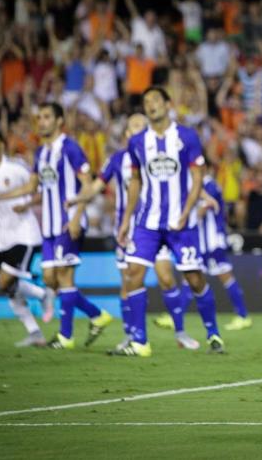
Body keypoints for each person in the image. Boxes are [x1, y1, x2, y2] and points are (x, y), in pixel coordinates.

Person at [67, 114, 202, 352]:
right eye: (134, 127)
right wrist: (79, 200)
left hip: (157, 227)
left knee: (167, 278)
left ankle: (180, 332)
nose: (139, 130)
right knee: (128, 283)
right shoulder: (117, 160)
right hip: (129, 229)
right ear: (127, 134)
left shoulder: (164, 152)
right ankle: (132, 336)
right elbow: (98, 186)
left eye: (142, 125)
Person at [0, 103, 113, 349]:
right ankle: (97, 314)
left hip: (68, 223)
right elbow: (31, 187)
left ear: (59, 121)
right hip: (49, 227)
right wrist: (0, 197)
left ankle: (65, 336)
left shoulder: (70, 148)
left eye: (46, 117)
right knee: (50, 279)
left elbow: (87, 184)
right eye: (39, 117)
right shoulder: (42, 153)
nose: (41, 121)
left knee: (64, 277)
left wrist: (76, 218)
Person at [116, 87, 224, 357]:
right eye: (146, 102)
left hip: (181, 223)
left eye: (155, 100)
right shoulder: (137, 142)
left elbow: (198, 177)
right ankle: (140, 341)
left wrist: (187, 212)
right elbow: (136, 181)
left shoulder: (186, 136)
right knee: (133, 274)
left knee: (195, 278)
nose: (151, 105)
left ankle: (213, 334)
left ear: (168, 104)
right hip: (148, 223)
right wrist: (126, 220)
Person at [0, 129, 56, 347]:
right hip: (4, 234)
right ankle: (35, 332)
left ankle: (43, 294)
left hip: (25, 232)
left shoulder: (16, 167)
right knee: (5, 285)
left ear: (2, 145)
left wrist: (28, 203)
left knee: (6, 280)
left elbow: (40, 188)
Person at [154, 173, 252, 331]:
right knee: (191, 277)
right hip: (202, 241)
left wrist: (181, 217)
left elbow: (203, 209)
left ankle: (243, 316)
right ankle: (176, 317)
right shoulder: (196, 184)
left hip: (212, 241)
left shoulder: (209, 185)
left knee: (224, 275)